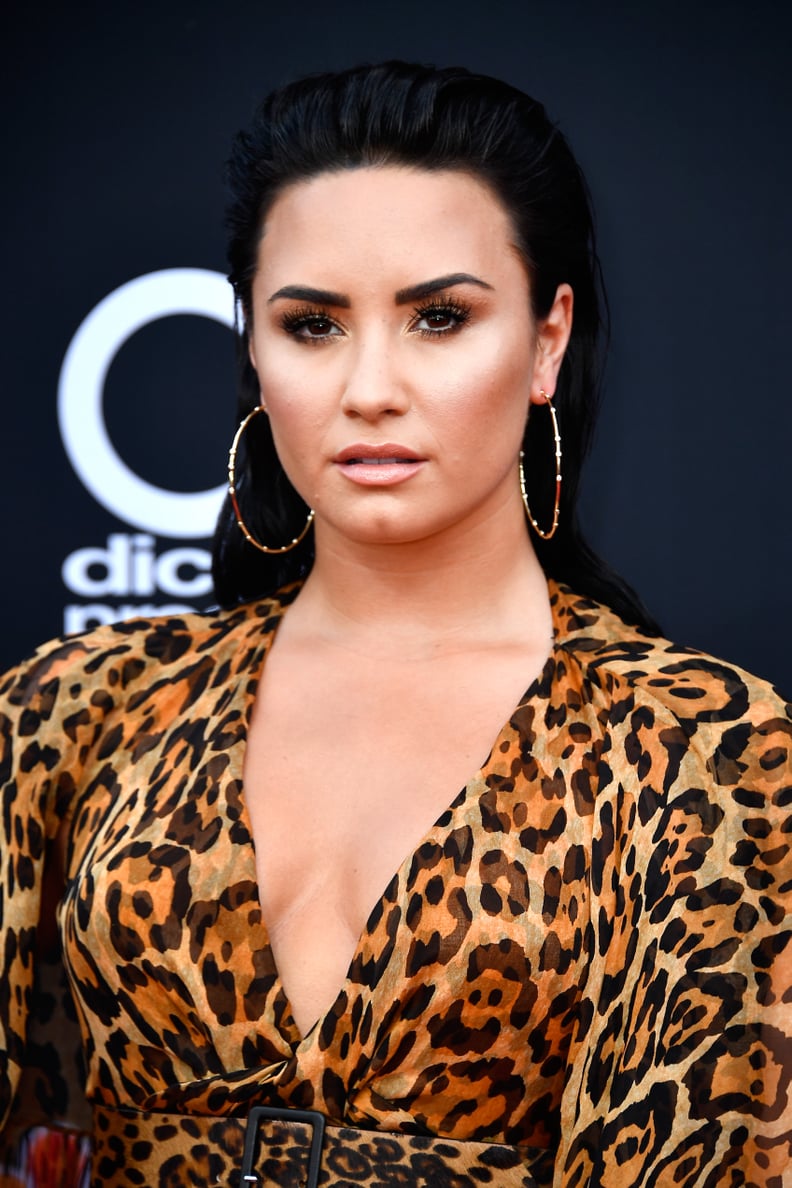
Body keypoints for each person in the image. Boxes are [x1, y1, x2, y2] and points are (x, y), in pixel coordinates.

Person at [0, 61, 789, 1188]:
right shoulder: (76, 711)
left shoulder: (706, 755)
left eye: (439, 317)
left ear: (547, 340)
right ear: (255, 350)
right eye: (313, 324)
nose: (370, 385)